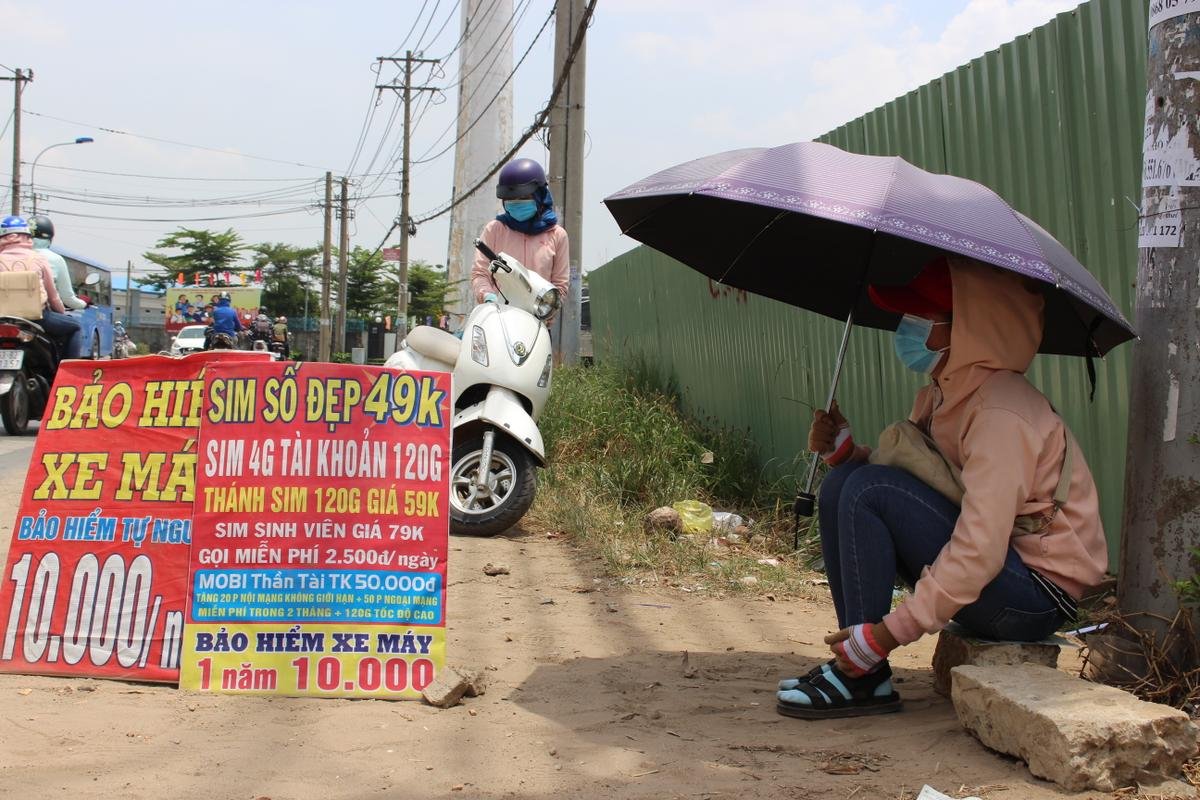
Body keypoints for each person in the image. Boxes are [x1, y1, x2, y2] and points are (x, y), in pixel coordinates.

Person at [775, 255, 1107, 719]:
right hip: (999, 577)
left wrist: (890, 633)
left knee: (868, 489)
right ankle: (860, 670)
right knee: (846, 482)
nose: (907, 327)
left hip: (1032, 597)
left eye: (922, 317)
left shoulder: (1002, 413)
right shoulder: (944, 392)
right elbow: (919, 483)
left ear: (974, 328)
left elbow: (981, 548)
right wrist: (843, 453)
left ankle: (864, 665)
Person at [471, 158, 569, 309]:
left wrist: (546, 308)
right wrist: (487, 296)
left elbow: (560, 284)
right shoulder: (495, 230)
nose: (516, 202)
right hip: (499, 317)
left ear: (539, 196)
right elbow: (480, 274)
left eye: (524, 198)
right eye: (510, 199)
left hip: (537, 321)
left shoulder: (557, 235)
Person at [0, 215, 83, 358]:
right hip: (37, 318)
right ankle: (68, 374)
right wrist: (61, 313)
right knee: (75, 327)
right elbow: (54, 297)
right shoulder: (38, 259)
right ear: (27, 236)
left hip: (2, 318)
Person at [30, 215, 87, 311]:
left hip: (6, 314)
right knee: (74, 326)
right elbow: (66, 298)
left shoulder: (9, 255)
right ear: (50, 237)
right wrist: (83, 304)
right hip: (39, 314)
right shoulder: (55, 259)